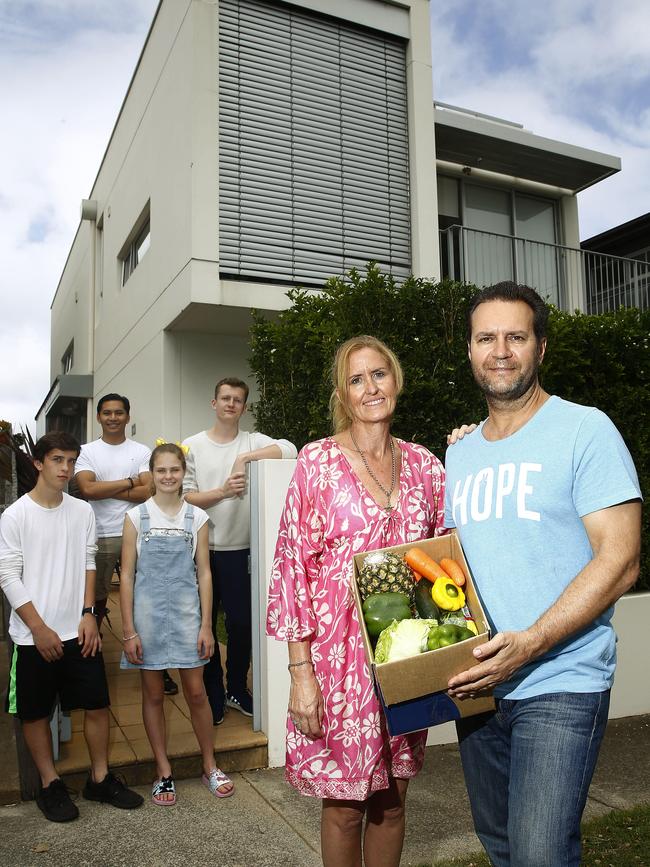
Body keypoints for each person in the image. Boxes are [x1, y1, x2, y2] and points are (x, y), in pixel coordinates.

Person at [444, 281, 642, 867]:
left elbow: (621, 560)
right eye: (486, 338)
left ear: (541, 348)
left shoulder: (586, 430)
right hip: (480, 686)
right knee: (501, 846)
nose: (500, 350)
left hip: (561, 679)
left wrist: (530, 643)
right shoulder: (460, 454)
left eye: (515, 336)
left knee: (539, 855)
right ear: (470, 351)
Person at [266, 336, 446, 867]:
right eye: (357, 379)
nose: (372, 387)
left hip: (403, 656)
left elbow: (448, 558)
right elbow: (292, 568)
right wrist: (302, 675)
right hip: (337, 663)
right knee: (345, 805)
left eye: (380, 374)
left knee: (392, 801)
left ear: (396, 379)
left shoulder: (427, 466)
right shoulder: (317, 463)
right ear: (342, 395)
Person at [0, 431, 144, 823]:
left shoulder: (81, 512)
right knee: (34, 714)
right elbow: (9, 577)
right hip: (34, 637)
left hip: (78, 631)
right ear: (39, 463)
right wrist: (39, 628)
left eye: (71, 461)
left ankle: (98, 779)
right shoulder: (14, 517)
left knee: (97, 706)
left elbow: (88, 563)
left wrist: (88, 614)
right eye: (57, 460)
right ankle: (50, 784)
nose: (65, 468)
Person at [119, 442, 234, 804]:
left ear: (184, 473)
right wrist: (128, 630)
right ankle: (163, 770)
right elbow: (126, 576)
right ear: (152, 475)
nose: (168, 476)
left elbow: (204, 574)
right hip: (147, 619)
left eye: (174, 469)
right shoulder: (136, 517)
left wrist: (205, 627)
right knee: (153, 694)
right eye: (161, 470)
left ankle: (209, 765)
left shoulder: (197, 518)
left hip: (188, 618)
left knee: (197, 692)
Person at [183, 377, 297, 724]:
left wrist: (245, 457)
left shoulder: (252, 441)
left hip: (242, 551)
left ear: (244, 407)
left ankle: (235, 687)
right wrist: (223, 491)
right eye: (225, 398)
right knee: (204, 624)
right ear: (213, 403)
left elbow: (290, 449)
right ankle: (213, 692)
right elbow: (186, 497)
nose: (231, 404)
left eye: (237, 400)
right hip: (203, 550)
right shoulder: (192, 446)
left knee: (241, 624)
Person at [74, 394, 177, 695]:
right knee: (97, 601)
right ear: (98, 417)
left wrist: (107, 489)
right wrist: (130, 482)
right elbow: (87, 489)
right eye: (107, 413)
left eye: (119, 413)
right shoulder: (87, 451)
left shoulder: (141, 450)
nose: (113, 418)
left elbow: (149, 491)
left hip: (139, 530)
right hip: (102, 533)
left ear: (128, 417)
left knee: (149, 598)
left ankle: (160, 668)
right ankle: (90, 664)